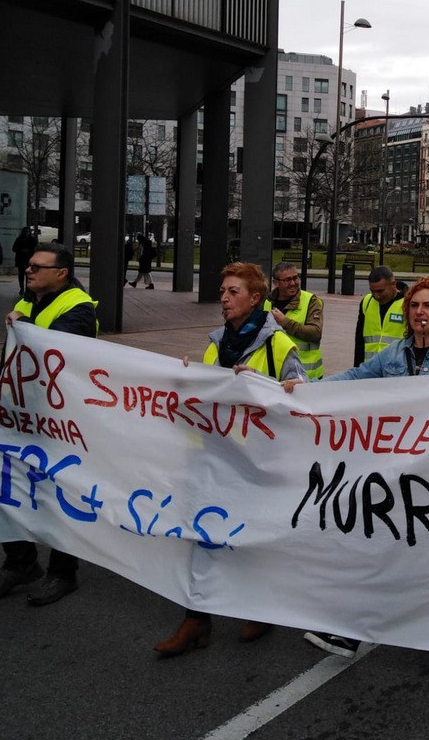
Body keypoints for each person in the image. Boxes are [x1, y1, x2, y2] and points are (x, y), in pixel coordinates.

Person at [287, 278, 429, 661]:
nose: (420, 312)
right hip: (392, 469)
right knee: (375, 543)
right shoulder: (393, 354)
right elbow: (355, 378)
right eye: (415, 306)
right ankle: (352, 630)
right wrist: (308, 388)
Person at [155, 262, 305, 657]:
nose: (223, 298)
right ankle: (196, 619)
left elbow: (300, 399)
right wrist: (188, 379)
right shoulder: (216, 341)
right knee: (201, 534)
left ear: (255, 299)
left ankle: (260, 607)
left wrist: (265, 388)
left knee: (252, 538)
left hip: (256, 462)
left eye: (232, 291)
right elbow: (200, 399)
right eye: (223, 291)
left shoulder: (277, 345)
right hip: (211, 456)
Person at [0, 242, 98, 605]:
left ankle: (64, 573)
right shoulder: (26, 303)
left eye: (37, 267)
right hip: (19, 415)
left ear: (61, 273)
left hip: (62, 422)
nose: (28, 271)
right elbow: (9, 367)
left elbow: (53, 351)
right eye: (28, 265)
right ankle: (21, 562)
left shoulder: (78, 308)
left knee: (59, 495)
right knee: (1, 481)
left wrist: (24, 325)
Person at [265, 260, 324, 380]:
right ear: (276, 283)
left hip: (305, 375)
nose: (293, 283)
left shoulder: (311, 301)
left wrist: (286, 323)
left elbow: (316, 333)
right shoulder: (267, 302)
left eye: (295, 278)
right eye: (287, 280)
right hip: (274, 372)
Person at [354, 266, 406, 366]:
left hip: (396, 370)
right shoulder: (367, 302)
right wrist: (357, 368)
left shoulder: (407, 303)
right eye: (372, 291)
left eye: (380, 291)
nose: (376, 296)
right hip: (369, 369)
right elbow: (359, 342)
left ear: (393, 284)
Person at [12, 226, 38, 294]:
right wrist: (21, 250)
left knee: (28, 275)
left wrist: (29, 251)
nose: (27, 233)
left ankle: (27, 289)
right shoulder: (19, 239)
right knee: (21, 275)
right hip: (21, 259)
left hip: (28, 259)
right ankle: (22, 288)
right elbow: (14, 248)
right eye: (25, 232)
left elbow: (35, 249)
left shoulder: (32, 240)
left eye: (28, 232)